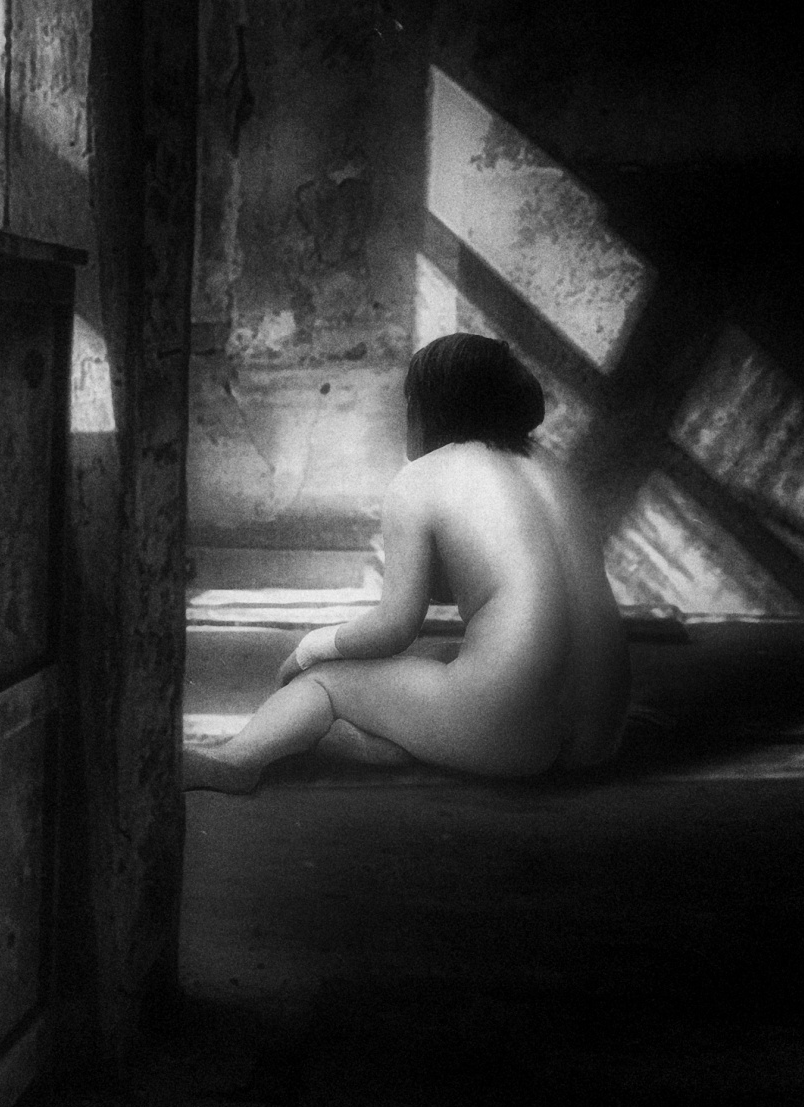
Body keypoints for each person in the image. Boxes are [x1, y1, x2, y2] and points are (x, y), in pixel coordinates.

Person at [184, 333, 630, 793]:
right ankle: (395, 742)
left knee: (324, 681)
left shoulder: (421, 478)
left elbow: (394, 626)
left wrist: (309, 648)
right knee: (437, 660)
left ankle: (235, 760)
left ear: (427, 407)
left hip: (509, 735)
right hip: (601, 734)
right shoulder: (554, 471)